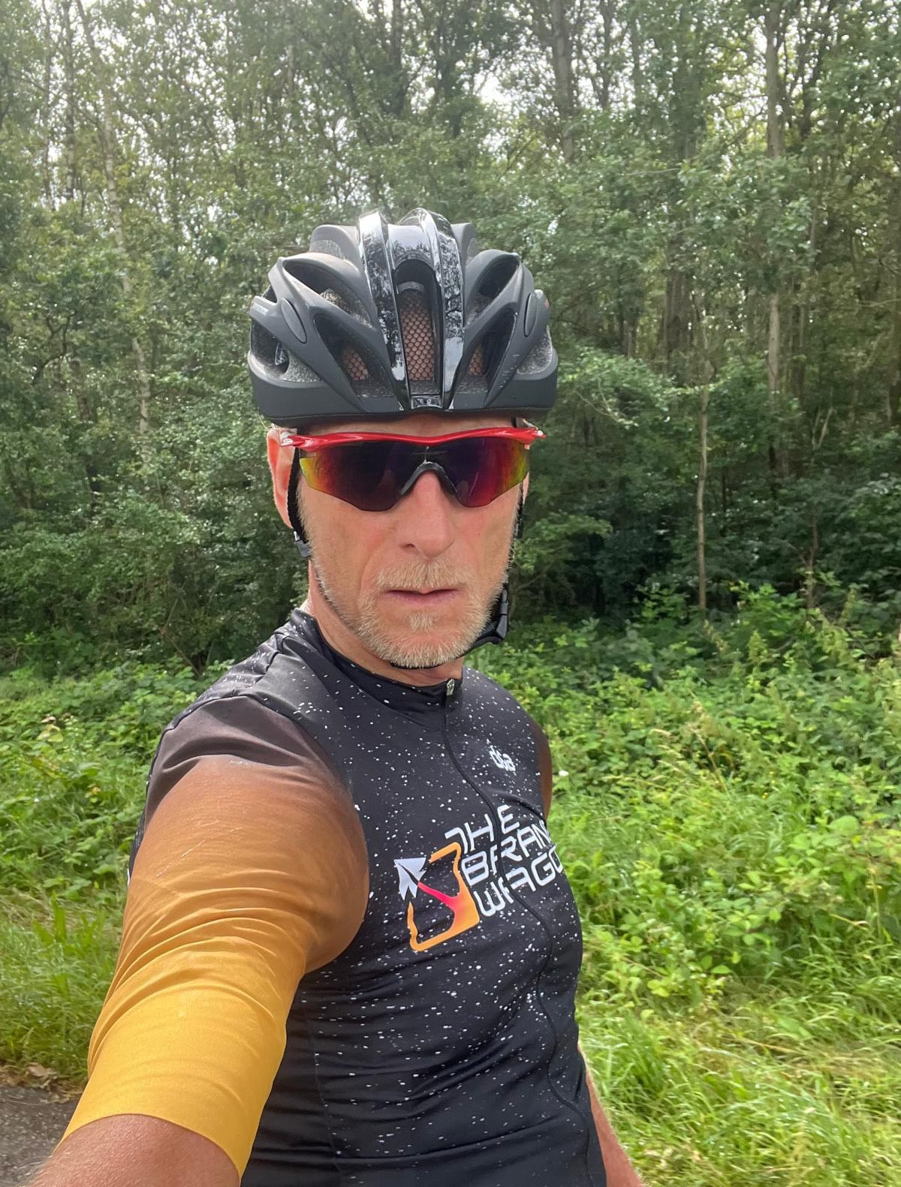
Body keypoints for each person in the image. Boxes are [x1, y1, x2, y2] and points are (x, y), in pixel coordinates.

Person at [31, 209, 643, 1187]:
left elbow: (535, 1029)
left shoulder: (505, 729)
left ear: (522, 485)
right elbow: (187, 1023)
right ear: (288, 479)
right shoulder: (260, 769)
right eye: (370, 468)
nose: (429, 531)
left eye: (476, 465)